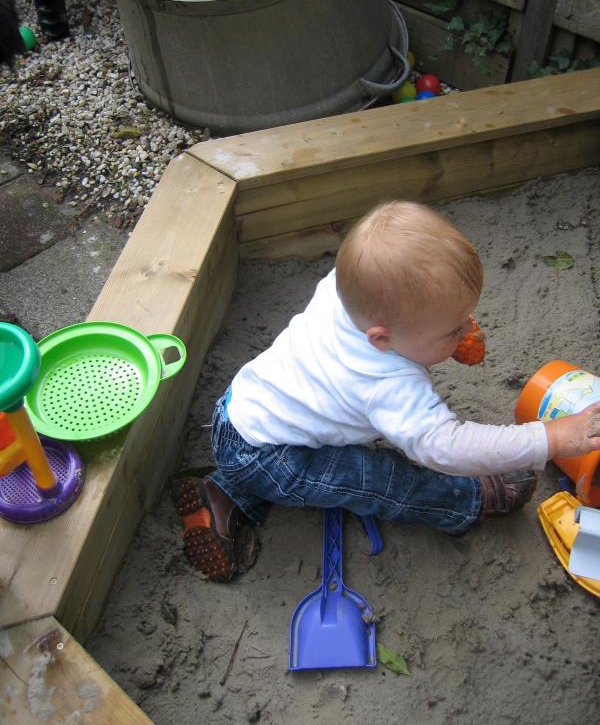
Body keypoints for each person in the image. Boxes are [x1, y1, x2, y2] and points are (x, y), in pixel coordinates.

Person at [173, 200, 600, 582]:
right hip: (272, 456)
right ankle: (463, 502)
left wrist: (443, 333)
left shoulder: (346, 290)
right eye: (454, 329)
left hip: (240, 410)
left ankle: (223, 495)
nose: (467, 329)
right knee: (377, 478)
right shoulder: (389, 386)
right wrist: (552, 437)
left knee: (307, 463)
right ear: (383, 339)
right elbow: (444, 447)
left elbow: (403, 298)